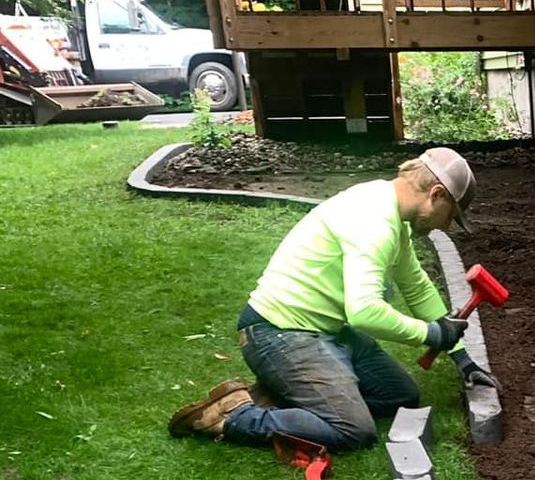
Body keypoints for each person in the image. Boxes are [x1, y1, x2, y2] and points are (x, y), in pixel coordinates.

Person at [169, 147, 498, 450]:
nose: (447, 227)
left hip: (324, 332)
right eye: (451, 215)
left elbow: (416, 286)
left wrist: (461, 357)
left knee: (400, 395)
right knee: (353, 429)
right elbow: (364, 312)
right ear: (436, 194)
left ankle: (290, 392)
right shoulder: (375, 223)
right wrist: (430, 334)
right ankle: (234, 417)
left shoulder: (391, 212)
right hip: (277, 332)